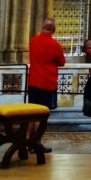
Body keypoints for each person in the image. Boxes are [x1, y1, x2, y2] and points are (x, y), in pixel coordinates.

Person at [28, 18, 66, 153]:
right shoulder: (54, 44)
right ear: (53, 30)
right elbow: (61, 62)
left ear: (42, 27)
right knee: (40, 115)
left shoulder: (33, 41)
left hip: (33, 81)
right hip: (46, 82)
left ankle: (29, 142)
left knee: (31, 114)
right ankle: (37, 143)